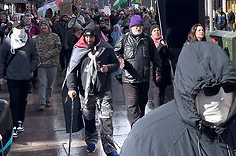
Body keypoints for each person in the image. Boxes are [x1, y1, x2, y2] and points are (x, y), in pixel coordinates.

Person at [120, 42, 236, 155]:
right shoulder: (146, 138)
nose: (222, 97)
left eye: (229, 87)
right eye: (210, 89)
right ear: (189, 92)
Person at [66, 23, 119, 155]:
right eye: (86, 37)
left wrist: (108, 68)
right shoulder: (79, 49)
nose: (89, 40)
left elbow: (116, 63)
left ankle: (109, 147)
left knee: (106, 119)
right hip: (85, 91)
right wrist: (72, 88)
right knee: (88, 117)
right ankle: (91, 140)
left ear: (96, 36)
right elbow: (71, 70)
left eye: (91, 37)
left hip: (103, 90)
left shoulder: (106, 48)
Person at [114, 15, 162, 127]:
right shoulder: (124, 39)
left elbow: (156, 58)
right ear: (131, 27)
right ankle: (135, 128)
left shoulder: (147, 40)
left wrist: (157, 72)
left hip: (144, 78)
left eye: (140, 26)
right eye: (135, 26)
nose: (138, 28)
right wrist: (120, 60)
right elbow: (115, 52)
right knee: (132, 105)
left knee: (142, 103)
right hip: (129, 78)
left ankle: (140, 126)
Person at [0, 21, 40, 138]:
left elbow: (35, 57)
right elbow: (1, 60)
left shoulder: (30, 41)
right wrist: (0, 76)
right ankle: (14, 124)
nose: (20, 29)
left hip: (26, 76)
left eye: (21, 27)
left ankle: (20, 120)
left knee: (23, 99)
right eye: (17, 27)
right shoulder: (7, 42)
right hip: (12, 76)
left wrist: (31, 68)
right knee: (14, 99)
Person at [34, 21, 61, 110]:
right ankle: (42, 101)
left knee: (50, 84)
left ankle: (48, 99)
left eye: (45, 25)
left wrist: (50, 54)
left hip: (52, 63)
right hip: (41, 64)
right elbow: (34, 50)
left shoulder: (55, 36)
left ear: (48, 26)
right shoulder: (37, 38)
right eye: (41, 25)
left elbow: (58, 47)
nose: (43, 27)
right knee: (42, 83)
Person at [150, 24, 174, 108]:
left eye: (158, 30)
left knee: (162, 93)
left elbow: (171, 56)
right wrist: (160, 46)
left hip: (164, 71)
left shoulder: (164, 41)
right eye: (154, 31)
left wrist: (166, 48)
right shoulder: (150, 43)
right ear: (151, 33)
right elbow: (155, 55)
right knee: (157, 93)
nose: (157, 32)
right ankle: (157, 111)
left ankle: (160, 108)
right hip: (155, 72)